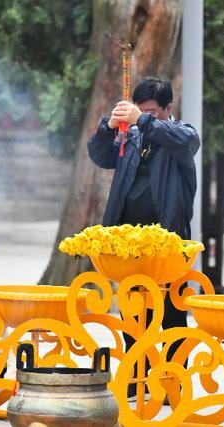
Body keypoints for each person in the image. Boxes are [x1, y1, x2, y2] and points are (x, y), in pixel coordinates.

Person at [87, 77, 200, 399]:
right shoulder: (131, 136)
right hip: (129, 242)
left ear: (168, 108)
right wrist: (108, 127)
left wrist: (143, 120)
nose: (142, 116)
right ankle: (137, 379)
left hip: (168, 240)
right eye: (139, 110)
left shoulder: (182, 134)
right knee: (133, 312)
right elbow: (99, 155)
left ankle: (173, 382)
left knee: (172, 313)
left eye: (150, 111)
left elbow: (185, 142)